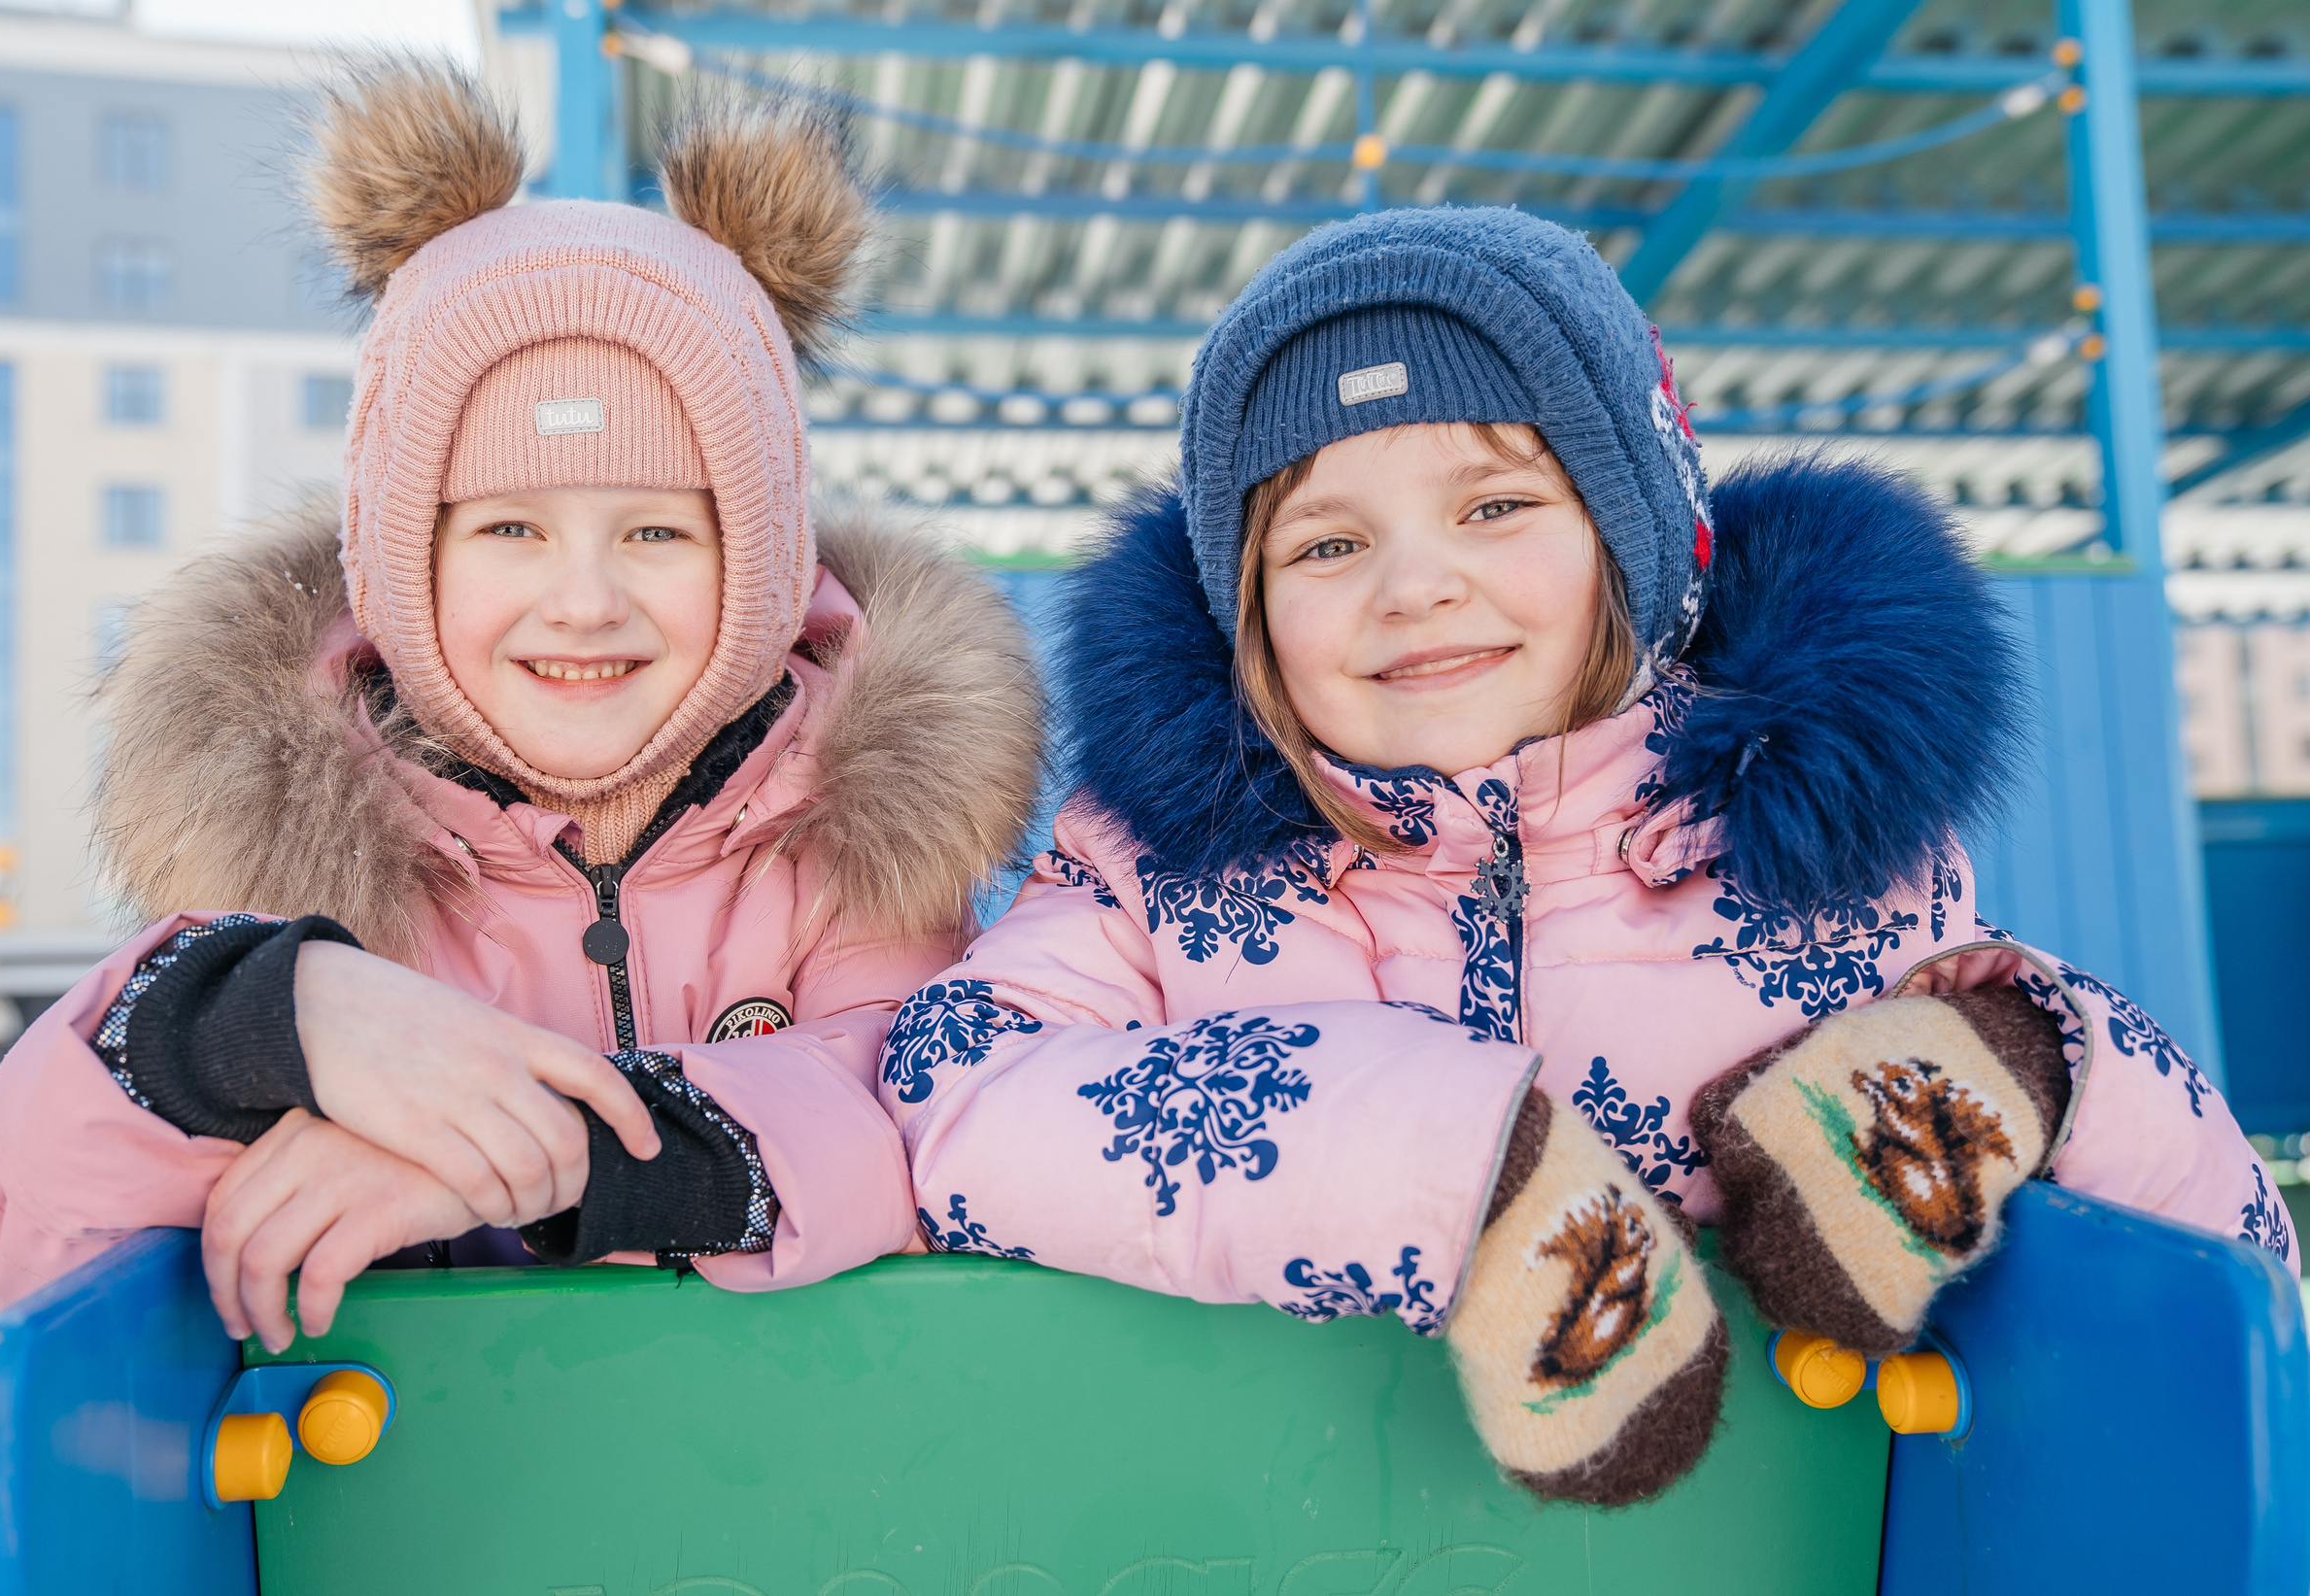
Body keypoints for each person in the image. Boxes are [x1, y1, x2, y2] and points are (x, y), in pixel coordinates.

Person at [878, 205, 2292, 1507]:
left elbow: (2235, 1293)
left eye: (1495, 507)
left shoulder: (1804, 835)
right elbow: (957, 1096)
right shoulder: (1155, 877)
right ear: (1240, 610)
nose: (1415, 582)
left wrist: (2031, 1065)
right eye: (1323, 544)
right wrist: (1458, 1169)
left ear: (1637, 546)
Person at [0, 61, 1042, 1351]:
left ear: (762, 562)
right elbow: (11, 1254)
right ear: (403, 559)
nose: (583, 602)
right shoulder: (295, 854)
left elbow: (912, 1120)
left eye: (655, 531)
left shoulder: (851, 839)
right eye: (510, 527)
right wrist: (250, 1020)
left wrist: (538, 1151)